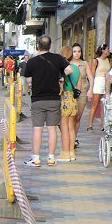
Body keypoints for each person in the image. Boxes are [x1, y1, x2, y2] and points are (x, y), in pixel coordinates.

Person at [23, 35, 73, 167]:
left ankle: (36, 158)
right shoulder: (58, 58)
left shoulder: (32, 62)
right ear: (50, 46)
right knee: (52, 129)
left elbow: (28, 80)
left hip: (38, 100)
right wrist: (58, 76)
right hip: (54, 99)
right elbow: (69, 70)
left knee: (37, 129)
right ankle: (51, 158)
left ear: (38, 46)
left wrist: (37, 79)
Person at [58, 45, 80, 162]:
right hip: (73, 98)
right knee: (71, 127)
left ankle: (65, 153)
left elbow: (60, 82)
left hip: (65, 97)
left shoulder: (63, 69)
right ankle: (72, 152)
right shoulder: (76, 68)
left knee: (64, 126)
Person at [86, 43, 112, 132]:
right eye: (107, 49)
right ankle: (90, 125)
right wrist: (91, 87)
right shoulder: (96, 61)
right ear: (103, 50)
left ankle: (103, 124)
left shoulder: (109, 60)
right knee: (95, 104)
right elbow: (92, 74)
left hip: (106, 82)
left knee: (105, 104)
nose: (109, 51)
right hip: (98, 82)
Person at [70, 43, 90, 150]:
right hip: (70, 93)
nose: (77, 53)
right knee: (70, 117)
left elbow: (91, 78)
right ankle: (70, 139)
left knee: (77, 118)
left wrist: (90, 90)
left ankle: (74, 139)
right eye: (74, 51)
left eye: (79, 51)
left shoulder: (85, 64)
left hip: (82, 93)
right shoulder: (68, 63)